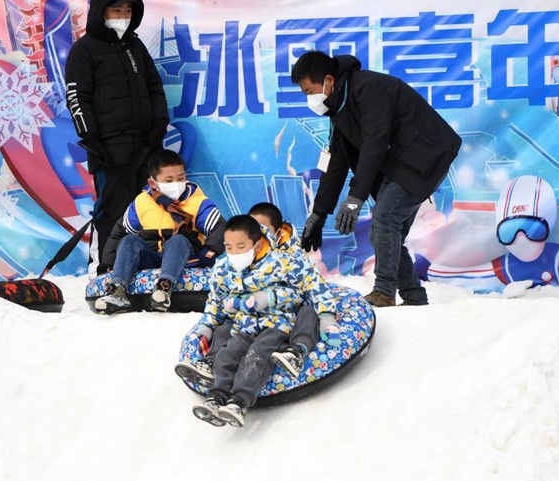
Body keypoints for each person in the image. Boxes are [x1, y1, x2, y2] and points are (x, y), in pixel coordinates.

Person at [290, 51, 462, 307]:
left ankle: (383, 291)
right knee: (384, 232)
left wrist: (355, 199)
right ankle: (414, 296)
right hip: (400, 164)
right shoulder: (338, 108)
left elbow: (375, 144)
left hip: (425, 156)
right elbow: (336, 163)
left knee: (384, 218)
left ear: (328, 80)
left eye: (309, 91)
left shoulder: (369, 89)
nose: (309, 98)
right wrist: (319, 214)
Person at [175, 202, 340, 385]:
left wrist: (326, 316)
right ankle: (210, 364)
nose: (259, 233)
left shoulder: (291, 258)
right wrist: (208, 325)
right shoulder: (238, 259)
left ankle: (295, 352)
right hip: (247, 319)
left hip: (282, 316)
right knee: (224, 330)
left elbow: (314, 285)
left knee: (307, 313)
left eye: (264, 229)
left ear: (276, 233)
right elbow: (217, 298)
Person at [65, 0, 169, 277]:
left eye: (127, 10)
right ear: (101, 11)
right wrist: (93, 140)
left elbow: (154, 87)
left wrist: (159, 125)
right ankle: (104, 270)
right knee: (111, 212)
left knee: (148, 209)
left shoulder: (134, 46)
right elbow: (76, 98)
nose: (122, 16)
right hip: (110, 149)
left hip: (146, 146)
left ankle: (142, 268)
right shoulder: (84, 50)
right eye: (116, 10)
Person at [190, 215, 308, 428]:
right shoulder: (228, 270)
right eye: (229, 247)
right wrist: (228, 307)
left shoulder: (279, 263)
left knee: (257, 354)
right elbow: (219, 299)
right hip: (245, 325)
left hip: (276, 324)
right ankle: (217, 396)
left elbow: (298, 293)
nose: (234, 253)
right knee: (228, 352)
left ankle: (240, 401)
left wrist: (269, 297)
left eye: (241, 246)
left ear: (257, 244)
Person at [95, 150, 223, 314]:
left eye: (181, 178)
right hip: (153, 256)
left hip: (185, 257)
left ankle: (164, 289)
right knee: (129, 241)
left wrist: (210, 250)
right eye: (169, 180)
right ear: (153, 182)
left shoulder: (197, 202)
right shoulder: (142, 202)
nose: (176, 184)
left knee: (178, 240)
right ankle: (117, 291)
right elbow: (120, 232)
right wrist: (107, 264)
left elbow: (219, 227)